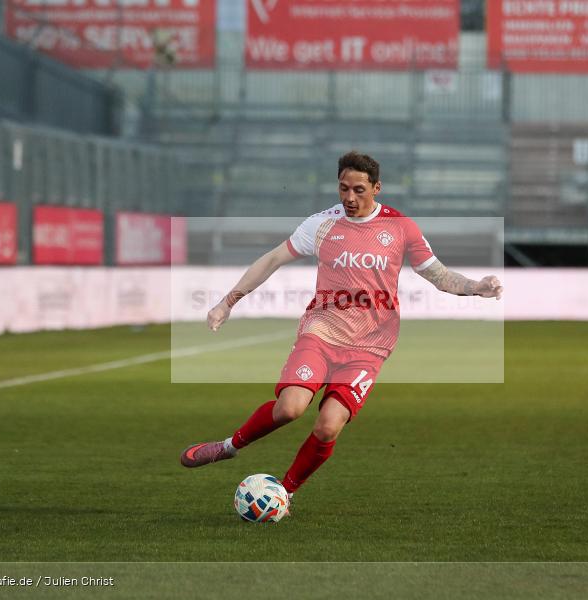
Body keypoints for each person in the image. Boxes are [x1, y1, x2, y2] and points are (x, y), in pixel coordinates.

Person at [180, 151, 503, 512]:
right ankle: (227, 447)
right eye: (343, 188)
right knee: (290, 409)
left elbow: (439, 275)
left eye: (359, 190)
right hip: (321, 330)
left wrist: (477, 287)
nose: (350, 198)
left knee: (328, 426)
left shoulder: (401, 227)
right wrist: (228, 301)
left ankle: (283, 494)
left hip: (370, 345)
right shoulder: (321, 224)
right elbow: (272, 259)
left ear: (377, 188)